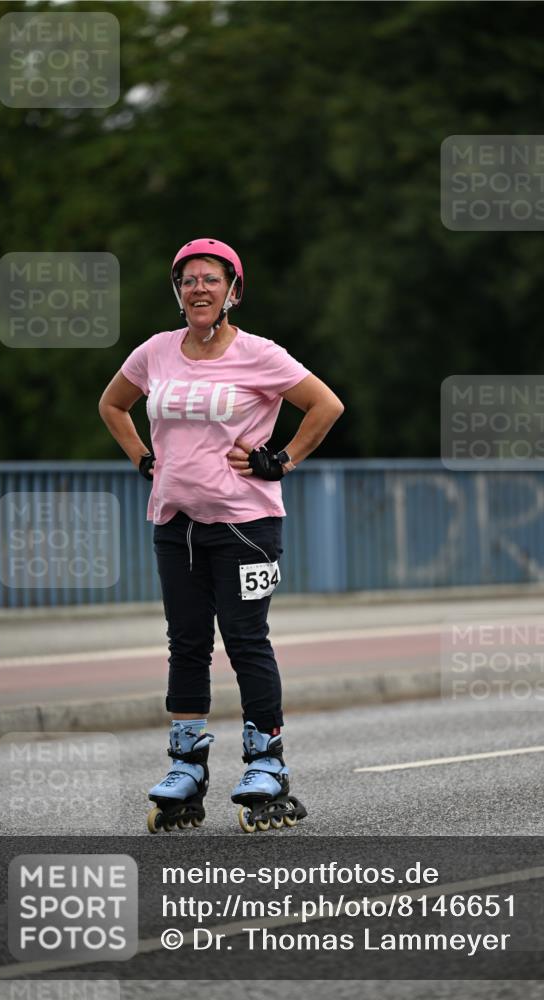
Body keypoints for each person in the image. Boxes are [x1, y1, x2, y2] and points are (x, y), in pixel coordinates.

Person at [99, 237, 344, 833]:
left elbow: (325, 406)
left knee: (244, 640)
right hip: (174, 522)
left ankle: (267, 763)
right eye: (187, 281)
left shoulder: (260, 354)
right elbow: (113, 404)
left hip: (246, 523)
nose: (197, 289)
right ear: (177, 292)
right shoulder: (156, 351)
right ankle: (186, 766)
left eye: (210, 279)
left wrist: (280, 460)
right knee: (186, 644)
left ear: (233, 290)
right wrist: (142, 460)